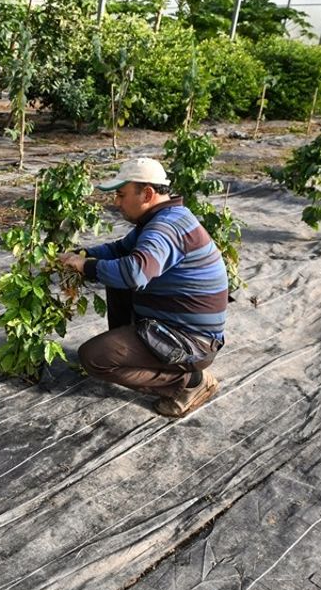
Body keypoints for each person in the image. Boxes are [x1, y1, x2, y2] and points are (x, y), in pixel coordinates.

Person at [56, 157, 228, 418]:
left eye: (121, 195)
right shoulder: (164, 217)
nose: (116, 202)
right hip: (176, 326)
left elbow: (135, 272)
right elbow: (117, 250)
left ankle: (190, 383)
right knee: (114, 271)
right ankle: (136, 351)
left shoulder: (164, 227)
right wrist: (80, 253)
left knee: (93, 357)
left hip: (190, 342)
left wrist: (85, 266)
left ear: (147, 193)